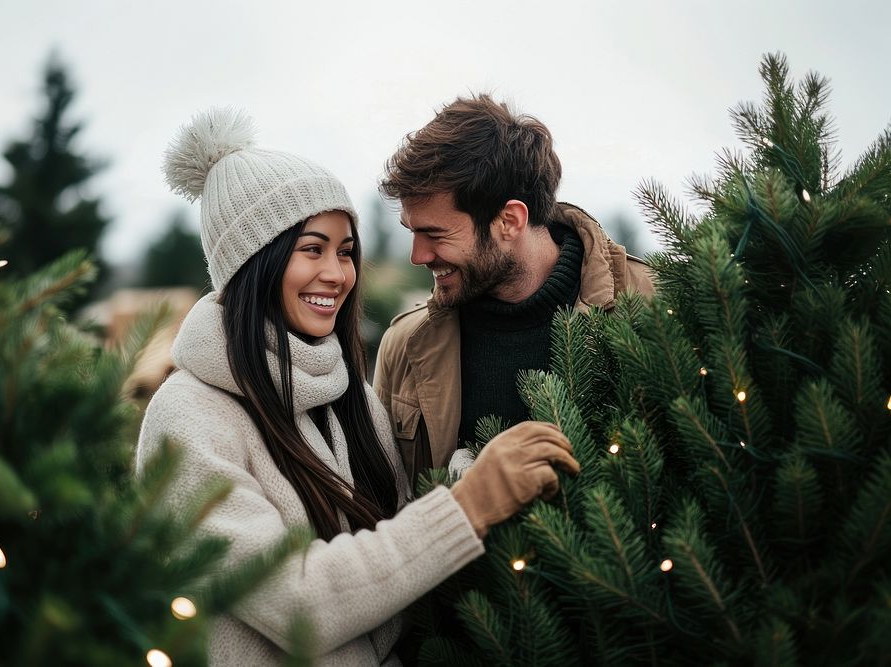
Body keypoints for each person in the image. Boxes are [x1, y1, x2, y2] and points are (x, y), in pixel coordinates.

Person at [135, 108, 581, 666]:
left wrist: (471, 470)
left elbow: (395, 544)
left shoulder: (347, 395)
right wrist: (468, 505)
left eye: (346, 251)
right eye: (312, 249)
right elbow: (299, 606)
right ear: (255, 263)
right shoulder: (187, 421)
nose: (338, 274)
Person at [375, 94, 655, 489]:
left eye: (434, 234)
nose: (417, 256)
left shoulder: (653, 308)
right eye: (412, 231)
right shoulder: (404, 346)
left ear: (509, 221)